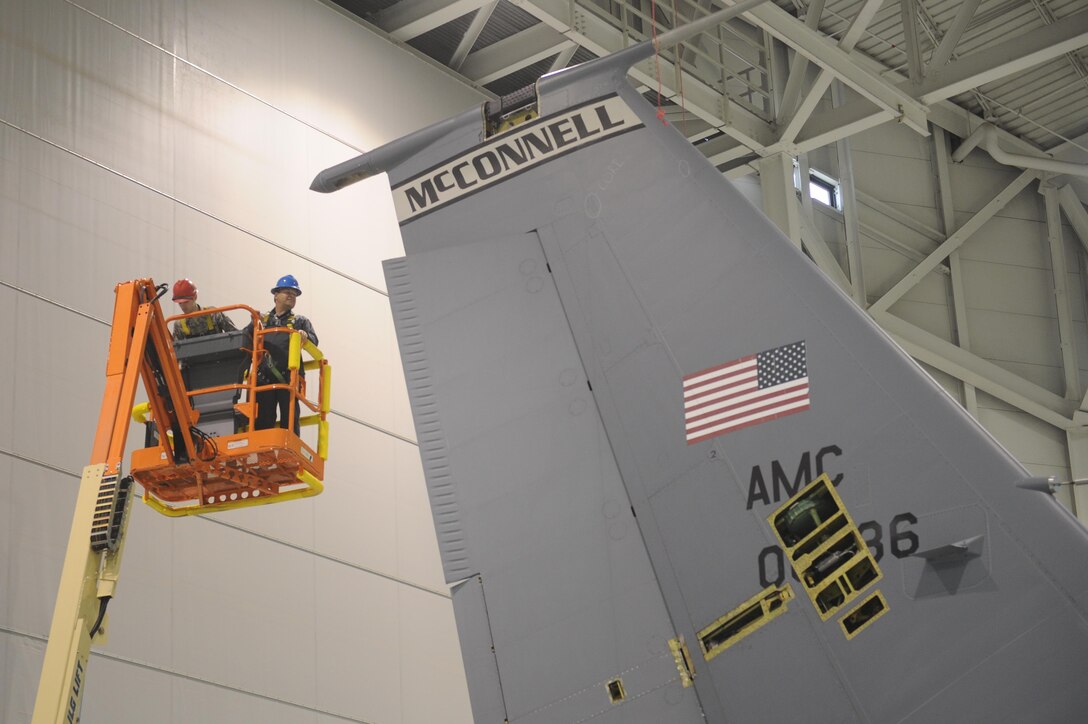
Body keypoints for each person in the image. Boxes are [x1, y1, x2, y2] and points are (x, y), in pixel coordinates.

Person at [243, 274, 318, 433]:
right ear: (276, 295)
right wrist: (253, 322)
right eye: (287, 292)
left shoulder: (300, 321)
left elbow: (314, 341)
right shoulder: (262, 320)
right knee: (262, 421)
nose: (291, 296)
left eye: (294, 293)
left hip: (288, 378)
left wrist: (305, 337)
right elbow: (244, 337)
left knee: (289, 421)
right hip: (263, 378)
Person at [171, 278, 238, 340]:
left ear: (195, 297)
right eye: (180, 303)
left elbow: (235, 335)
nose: (183, 306)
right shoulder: (179, 325)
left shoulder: (213, 313)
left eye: (186, 302)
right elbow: (177, 351)